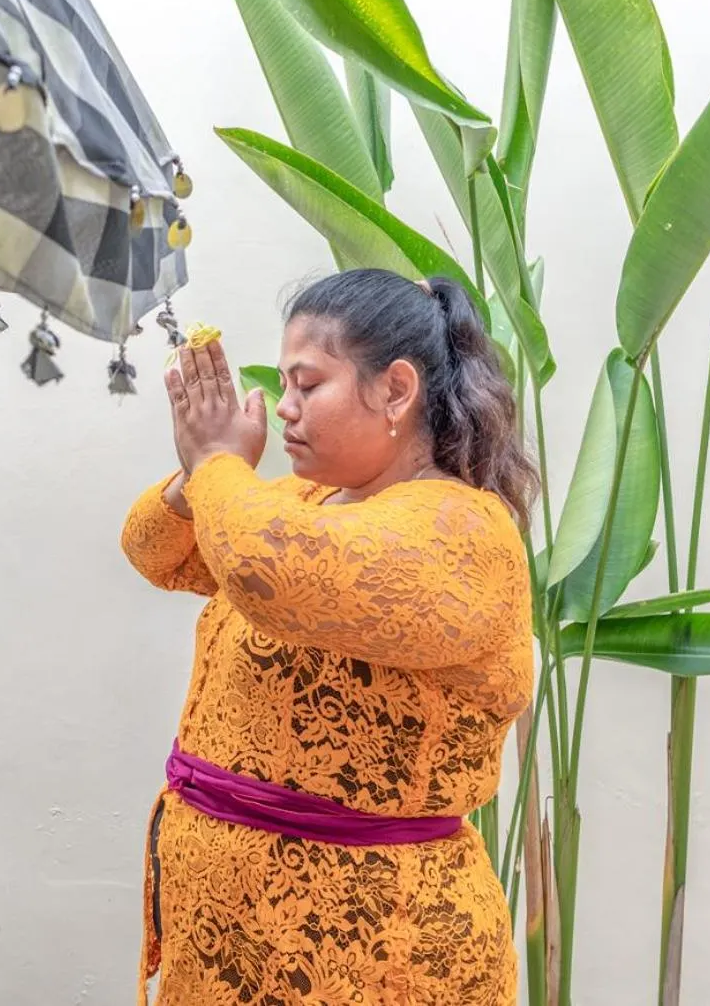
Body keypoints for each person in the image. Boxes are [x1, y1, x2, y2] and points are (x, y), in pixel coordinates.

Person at [120, 270, 536, 1005]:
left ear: (395, 391)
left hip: (375, 950)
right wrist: (199, 474)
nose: (282, 408)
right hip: (231, 941)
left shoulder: (463, 531)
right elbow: (156, 550)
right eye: (282, 385)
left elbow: (265, 572)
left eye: (306, 385)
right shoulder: (306, 502)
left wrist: (218, 462)